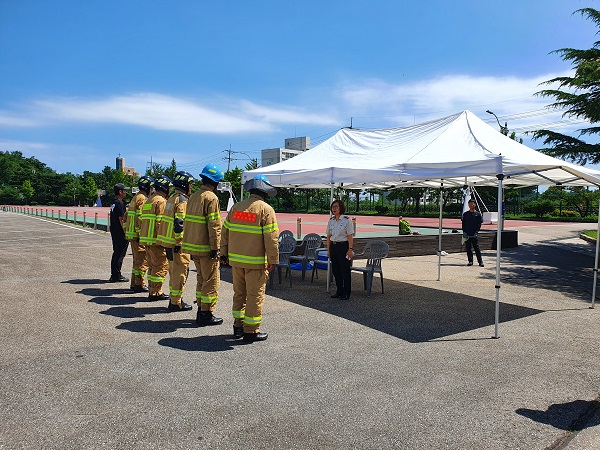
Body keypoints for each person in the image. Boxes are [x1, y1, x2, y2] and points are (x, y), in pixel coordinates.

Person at [221, 174, 279, 343]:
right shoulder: (266, 210)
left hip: (236, 262)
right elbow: (271, 238)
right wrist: (273, 259)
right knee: (254, 296)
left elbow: (225, 232)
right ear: (265, 192)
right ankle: (251, 331)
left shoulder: (236, 208)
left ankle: (238, 326)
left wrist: (224, 253)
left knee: (239, 294)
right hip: (255, 263)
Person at [181, 164, 225, 326]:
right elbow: (214, 226)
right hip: (206, 248)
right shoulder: (211, 198)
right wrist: (216, 248)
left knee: (201, 279)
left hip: (193, 247)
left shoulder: (193, 196)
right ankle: (206, 313)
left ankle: (201, 309)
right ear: (215, 181)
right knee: (211, 281)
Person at [157, 171, 195, 312]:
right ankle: (176, 302)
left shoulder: (171, 199)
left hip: (168, 243)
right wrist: (180, 242)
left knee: (173, 272)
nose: (191, 187)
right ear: (185, 185)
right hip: (177, 244)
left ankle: (174, 300)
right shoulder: (182, 200)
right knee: (180, 273)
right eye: (190, 184)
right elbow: (180, 223)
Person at [139, 175, 172, 300]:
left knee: (152, 267)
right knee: (160, 266)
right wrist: (164, 241)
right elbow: (160, 223)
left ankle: (152, 289)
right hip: (157, 242)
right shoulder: (161, 201)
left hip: (147, 240)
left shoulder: (149, 200)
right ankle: (156, 292)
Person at [124, 175, 154, 292]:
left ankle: (134, 283)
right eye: (151, 187)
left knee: (137, 261)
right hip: (138, 236)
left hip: (133, 235)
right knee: (142, 261)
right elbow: (141, 218)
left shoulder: (135, 197)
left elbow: (126, 217)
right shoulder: (143, 199)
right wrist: (142, 234)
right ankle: (139, 284)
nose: (152, 190)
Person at [326, 199, 354, 300]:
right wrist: (328, 250)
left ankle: (346, 292)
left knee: (345, 270)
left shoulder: (346, 220)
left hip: (343, 247)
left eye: (336, 206)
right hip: (334, 247)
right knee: (336, 270)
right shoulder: (331, 221)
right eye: (333, 207)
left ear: (341, 208)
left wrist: (350, 249)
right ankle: (339, 290)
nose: (334, 209)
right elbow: (328, 236)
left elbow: (350, 236)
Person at [109, 183, 130, 282]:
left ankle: (114, 274)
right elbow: (121, 219)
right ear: (120, 192)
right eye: (124, 190)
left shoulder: (113, 202)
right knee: (120, 253)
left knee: (116, 252)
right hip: (120, 231)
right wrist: (125, 232)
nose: (125, 192)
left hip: (114, 230)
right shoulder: (120, 203)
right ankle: (116, 275)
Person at [462, 198, 484, 267]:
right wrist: (464, 232)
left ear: (475, 205)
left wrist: (476, 232)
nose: (471, 205)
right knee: (468, 248)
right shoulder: (465, 214)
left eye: (472, 204)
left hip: (474, 234)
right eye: (469, 204)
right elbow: (463, 224)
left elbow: (479, 225)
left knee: (476, 248)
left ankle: (480, 262)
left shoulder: (478, 214)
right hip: (467, 234)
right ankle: (470, 261)